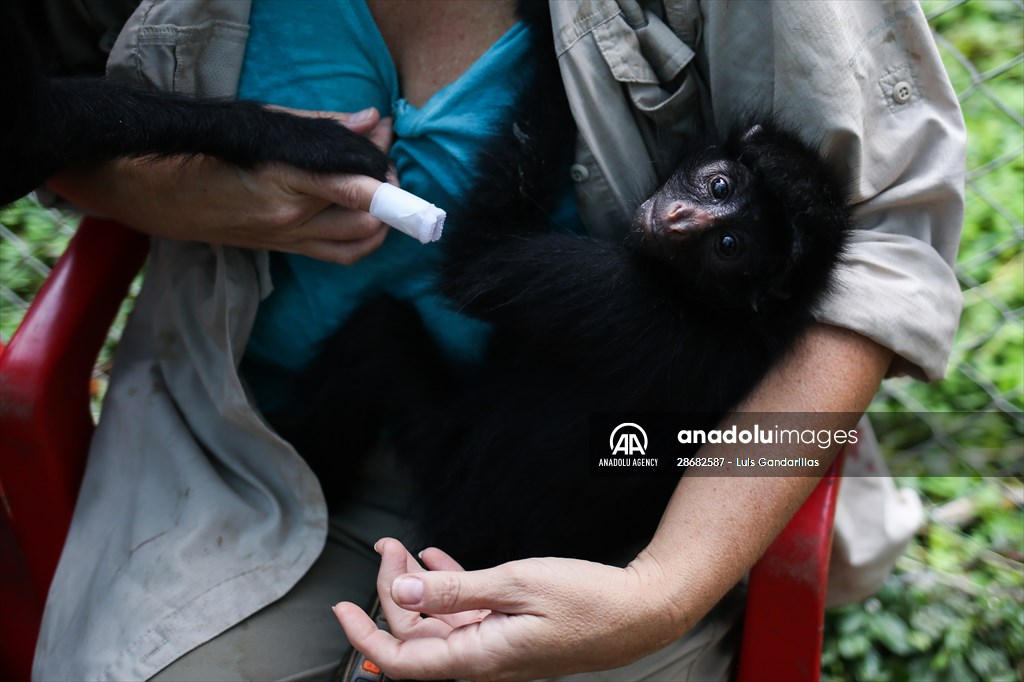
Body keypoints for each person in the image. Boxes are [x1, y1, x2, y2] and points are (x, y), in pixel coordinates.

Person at [31, 1, 964, 680]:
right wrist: (175, 172)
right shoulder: (680, 293)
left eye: (720, 238)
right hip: (247, 447)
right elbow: (25, 118)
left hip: (592, 530)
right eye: (711, 191)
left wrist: (660, 591)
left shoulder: (631, 298)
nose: (682, 217)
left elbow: (885, 249)